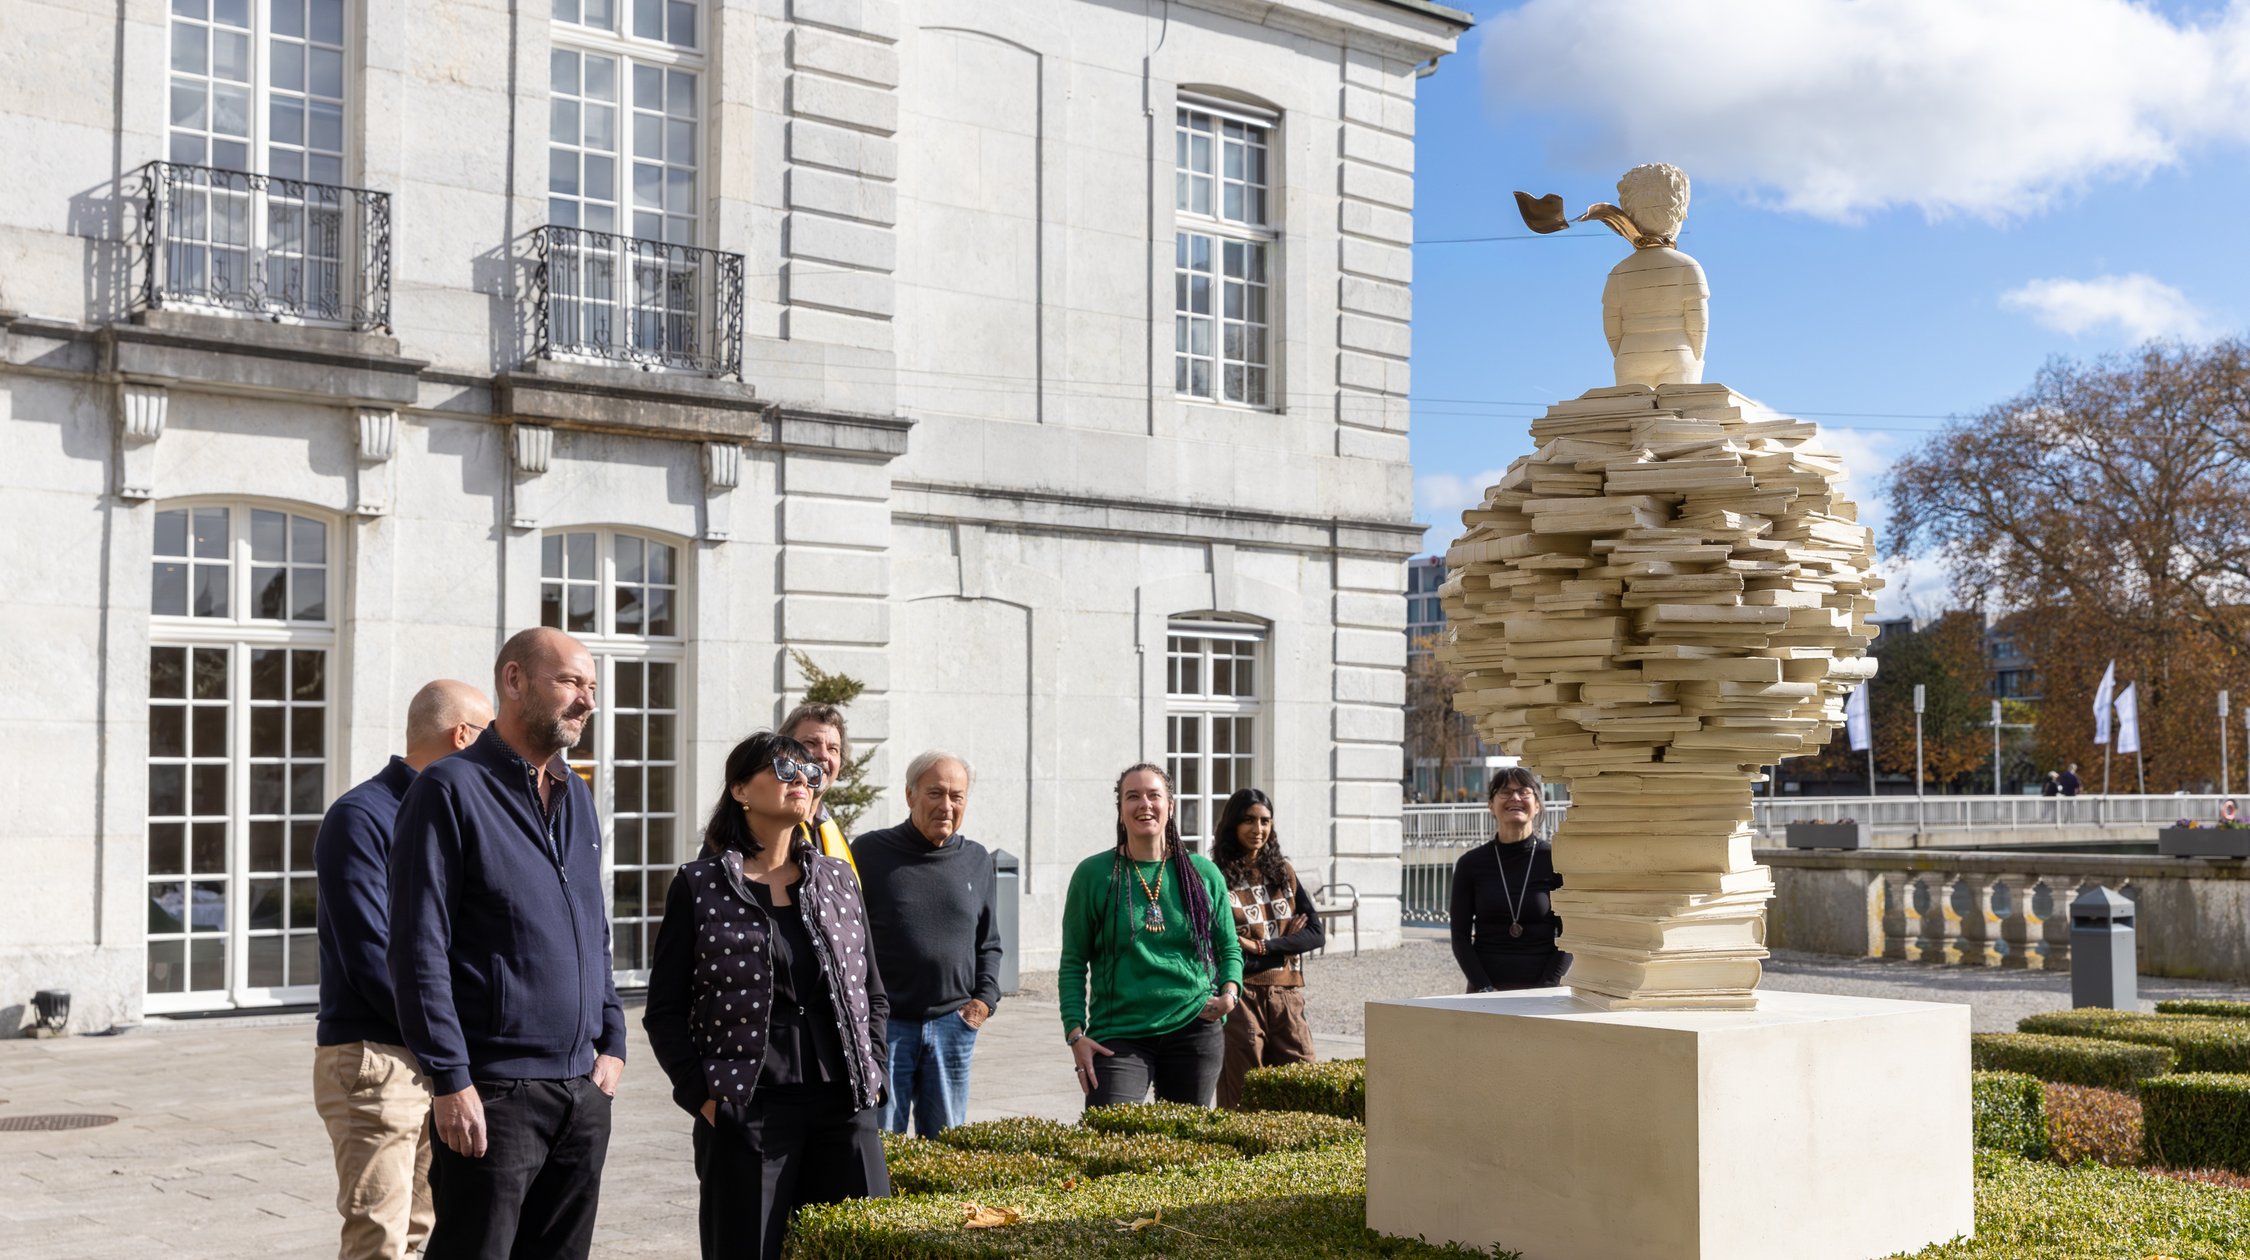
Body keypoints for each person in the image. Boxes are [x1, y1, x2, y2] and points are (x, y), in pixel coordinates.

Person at [388, 628, 627, 1260]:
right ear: (514, 680)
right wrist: (449, 1078)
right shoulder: (448, 788)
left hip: (582, 1090)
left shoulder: (577, 795)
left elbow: (593, 924)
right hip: (493, 1093)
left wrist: (612, 1037)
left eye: (592, 687)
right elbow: (417, 947)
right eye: (570, 682)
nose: (587, 701)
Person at [642, 731, 890, 1259]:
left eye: (810, 773)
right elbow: (664, 1010)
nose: (802, 780)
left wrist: (876, 1074)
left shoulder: (838, 880)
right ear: (740, 790)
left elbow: (871, 991)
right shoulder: (700, 886)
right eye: (783, 770)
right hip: (747, 1110)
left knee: (862, 1250)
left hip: (844, 1106)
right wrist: (703, 1097)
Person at [313, 679, 491, 1260]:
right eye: (491, 736)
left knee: (418, 1234)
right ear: (462, 736)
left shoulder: (453, 815)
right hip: (377, 1057)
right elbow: (372, 954)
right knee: (379, 1243)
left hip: (434, 1054)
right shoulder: (361, 816)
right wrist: (447, 1038)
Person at [1059, 764, 1244, 1110]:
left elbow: (1228, 947)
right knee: (1112, 1135)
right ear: (1120, 810)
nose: (1144, 804)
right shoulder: (1093, 875)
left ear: (1170, 806)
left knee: (1188, 1138)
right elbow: (1073, 962)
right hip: (1119, 1033)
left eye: (1154, 795)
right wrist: (1075, 1033)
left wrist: (1230, 994)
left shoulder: (1203, 874)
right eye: (1133, 796)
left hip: (1194, 1026)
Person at [851, 751, 1002, 1137]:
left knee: (948, 1147)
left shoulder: (976, 859)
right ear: (910, 795)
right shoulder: (868, 853)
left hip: (953, 1025)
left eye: (957, 796)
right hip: (887, 1029)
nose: (946, 805)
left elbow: (989, 942)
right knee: (882, 1144)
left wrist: (983, 1002)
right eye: (935, 793)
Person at [1209, 788, 1323, 1110]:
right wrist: (1286, 945)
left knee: (1304, 1089)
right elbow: (1224, 947)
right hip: (1241, 996)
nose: (1257, 829)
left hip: (1287, 996)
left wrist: (1261, 946)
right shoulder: (1216, 876)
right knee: (1243, 1097)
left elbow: (1315, 934)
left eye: (1265, 821)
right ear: (1232, 823)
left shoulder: (1283, 873)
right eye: (1248, 820)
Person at [1450, 767, 1570, 993]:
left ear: (1537, 805)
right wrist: (1485, 988)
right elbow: (1459, 937)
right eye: (1505, 792)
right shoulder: (1470, 864)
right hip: (1485, 991)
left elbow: (1570, 936)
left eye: (1524, 792)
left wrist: (1545, 989)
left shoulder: (1557, 861)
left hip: (1544, 992)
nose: (1515, 797)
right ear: (1491, 805)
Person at [781, 702, 859, 877]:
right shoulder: (762, 827)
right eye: (810, 743)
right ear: (784, 753)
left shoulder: (837, 836)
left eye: (833, 749)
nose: (823, 755)